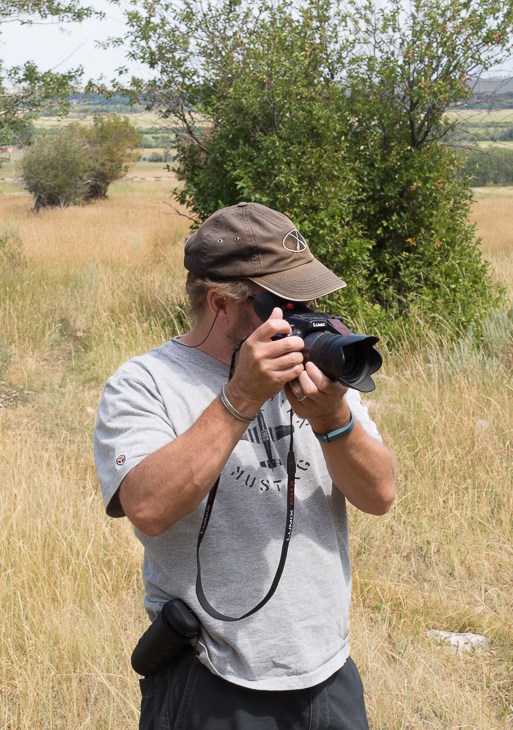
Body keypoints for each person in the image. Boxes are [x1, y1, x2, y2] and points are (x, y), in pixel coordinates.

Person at [94, 202, 396, 730]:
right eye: (285, 302)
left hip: (327, 669)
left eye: (310, 298)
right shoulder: (145, 383)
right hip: (212, 675)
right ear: (220, 304)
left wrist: (334, 418)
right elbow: (148, 508)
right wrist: (240, 399)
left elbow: (380, 496)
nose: (304, 312)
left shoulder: (313, 372)